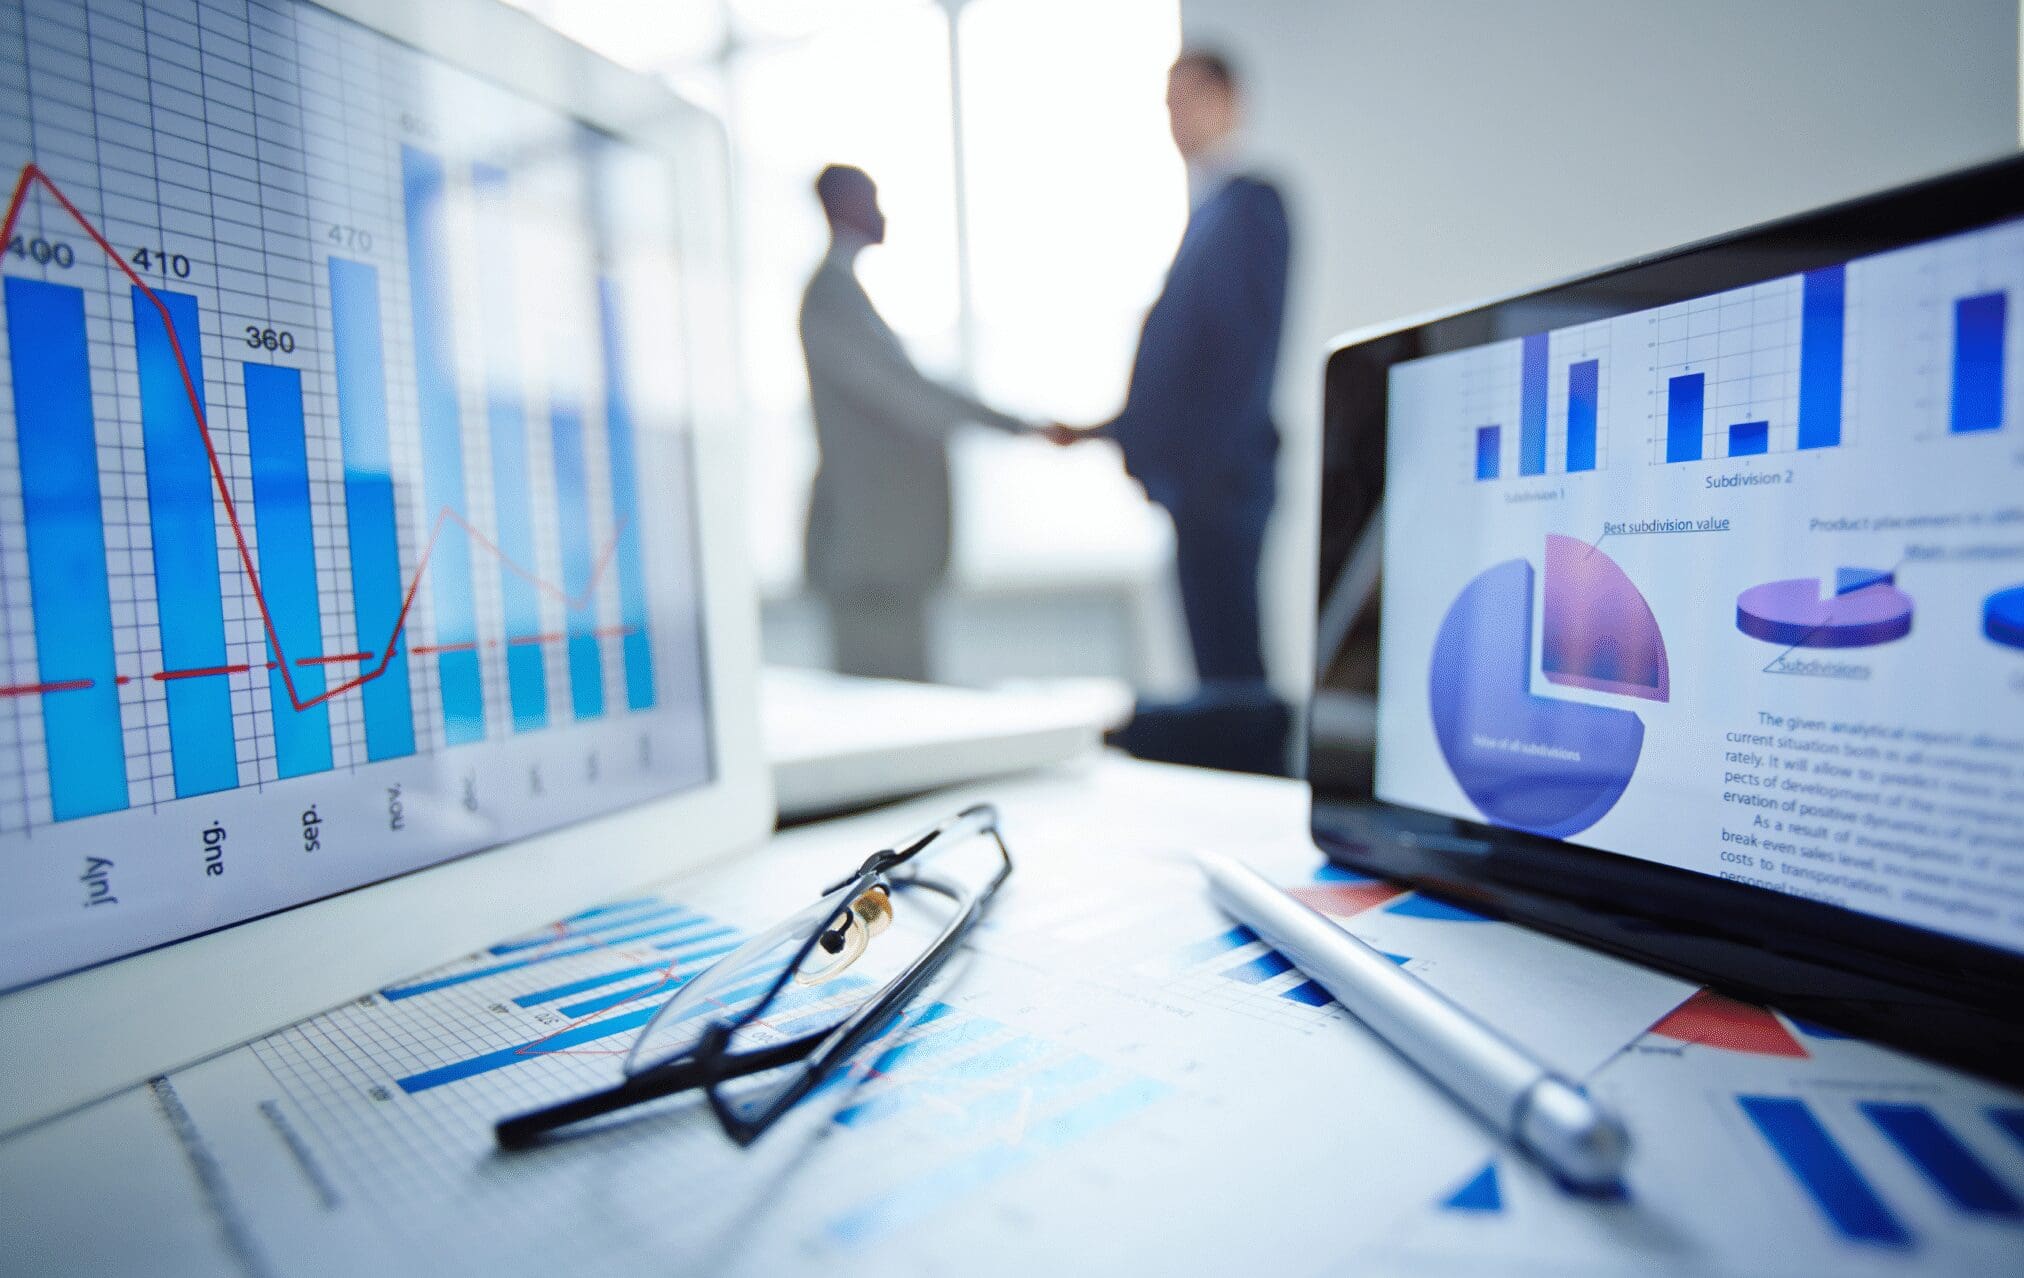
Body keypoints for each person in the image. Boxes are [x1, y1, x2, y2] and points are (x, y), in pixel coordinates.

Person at [1058, 49, 1293, 771]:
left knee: (1233, 686)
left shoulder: (1250, 205)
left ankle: (1259, 801)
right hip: (1201, 489)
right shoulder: (1206, 215)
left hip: (1221, 487)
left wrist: (1200, 475)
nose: (1175, 116)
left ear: (1230, 101)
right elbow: (1181, 370)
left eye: (1188, 97)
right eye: (1167, 101)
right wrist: (1108, 430)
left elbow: (1239, 361)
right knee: (1217, 675)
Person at [799, 164, 1043, 681]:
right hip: (868, 551)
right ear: (844, 205)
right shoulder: (830, 298)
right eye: (872, 200)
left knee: (899, 692)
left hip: (886, 554)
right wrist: (1017, 426)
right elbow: (905, 395)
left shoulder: (846, 297)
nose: (881, 214)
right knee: (880, 699)